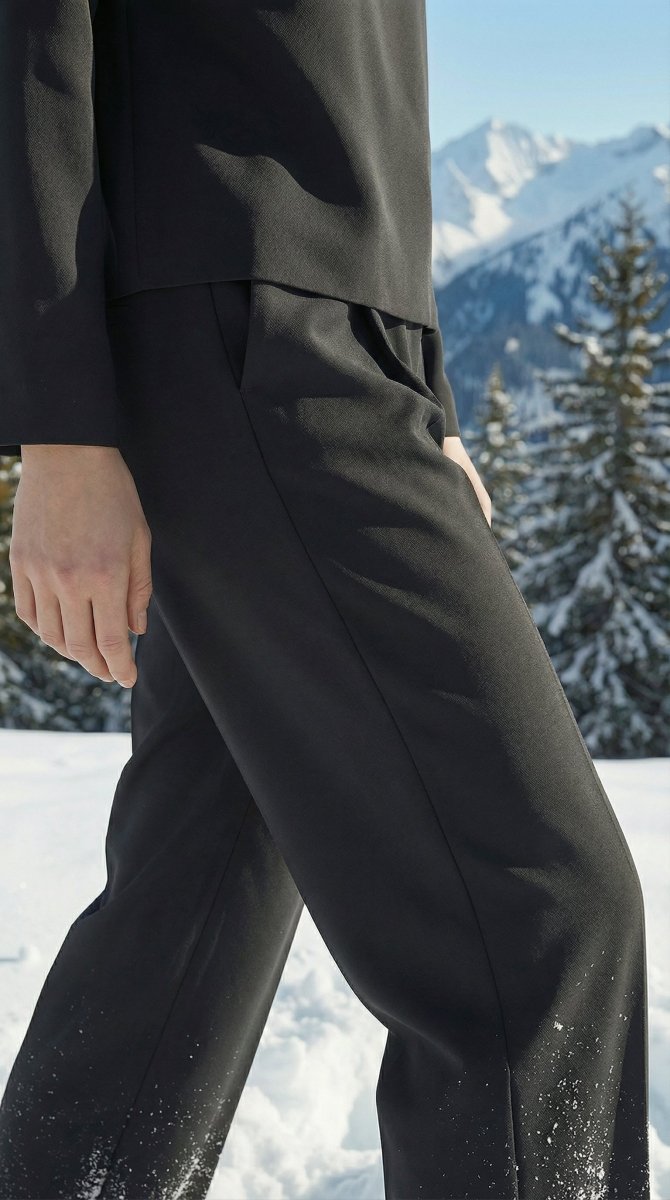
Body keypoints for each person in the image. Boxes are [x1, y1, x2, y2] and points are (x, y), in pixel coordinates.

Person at [0, 3, 650, 1198]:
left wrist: (422, 381)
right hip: (246, 320)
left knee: (202, 892)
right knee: (540, 917)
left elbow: (354, 74)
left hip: (317, 328)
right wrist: (60, 424)